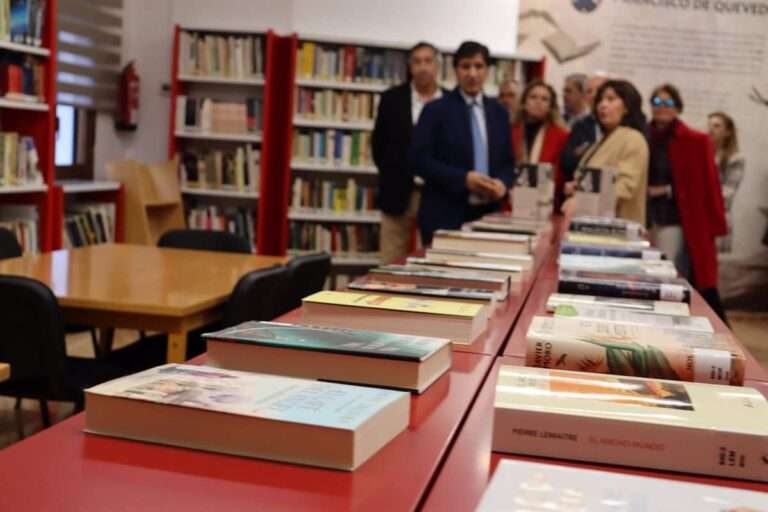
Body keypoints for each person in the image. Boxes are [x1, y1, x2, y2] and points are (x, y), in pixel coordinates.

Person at [411, 40, 515, 245]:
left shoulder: (499, 113)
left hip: (488, 216)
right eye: (465, 66)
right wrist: (463, 179)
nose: (472, 73)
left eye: (478, 66)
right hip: (444, 215)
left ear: (487, 71)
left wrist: (503, 183)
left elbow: (508, 163)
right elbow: (418, 160)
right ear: (455, 70)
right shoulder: (436, 110)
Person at [646, 83, 728, 321]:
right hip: (644, 217)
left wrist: (666, 190)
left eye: (668, 103)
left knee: (669, 275)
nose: (662, 107)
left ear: (677, 108)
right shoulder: (642, 135)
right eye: (657, 102)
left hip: (675, 219)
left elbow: (708, 186)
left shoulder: (695, 140)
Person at [372, 42, 446, 264]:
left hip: (439, 193)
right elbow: (378, 145)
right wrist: (392, 173)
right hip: (397, 191)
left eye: (428, 61)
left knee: (436, 259)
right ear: (409, 66)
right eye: (417, 61)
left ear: (438, 66)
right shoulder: (392, 99)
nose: (423, 67)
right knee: (390, 261)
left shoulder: (450, 101)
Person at [563, 79, 649, 224]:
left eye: (611, 99)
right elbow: (595, 179)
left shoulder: (633, 139)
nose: (602, 105)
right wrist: (577, 186)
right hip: (592, 223)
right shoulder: (601, 141)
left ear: (627, 107)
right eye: (600, 100)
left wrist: (582, 199)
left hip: (617, 227)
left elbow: (625, 186)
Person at [510, 79, 569, 211]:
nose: (538, 102)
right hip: (511, 201)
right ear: (524, 102)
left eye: (544, 99)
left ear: (550, 107)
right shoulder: (510, 132)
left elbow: (560, 174)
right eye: (533, 97)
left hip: (545, 203)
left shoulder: (561, 136)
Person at [559, 72, 610, 199]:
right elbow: (567, 162)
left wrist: (582, 151)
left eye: (599, 90)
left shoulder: (623, 128)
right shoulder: (581, 126)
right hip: (582, 193)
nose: (594, 95)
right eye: (589, 91)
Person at [707, 111, 745, 253]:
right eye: (709, 125)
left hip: (717, 216)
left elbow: (727, 193)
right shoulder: (703, 152)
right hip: (698, 217)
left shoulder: (736, 158)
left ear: (728, 131)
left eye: (717, 126)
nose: (711, 129)